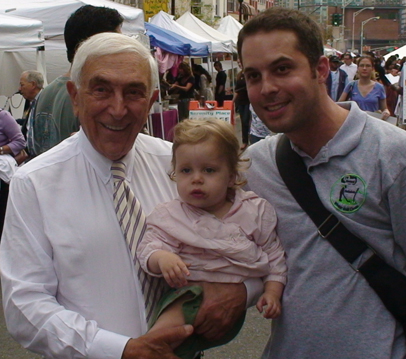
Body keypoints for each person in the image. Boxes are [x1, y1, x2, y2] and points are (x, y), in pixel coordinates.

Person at [1, 32, 251, 359]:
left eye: (133, 92)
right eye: (102, 89)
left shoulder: (179, 166)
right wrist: (121, 350)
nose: (118, 110)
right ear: (75, 97)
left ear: (150, 101)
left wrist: (241, 289)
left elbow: (243, 237)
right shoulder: (34, 183)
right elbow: (25, 304)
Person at [238, 7, 406, 358]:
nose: (267, 88)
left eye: (282, 69)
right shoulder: (255, 167)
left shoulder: (394, 156)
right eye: (253, 76)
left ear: (320, 70)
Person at [137, 118, 287, 358]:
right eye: (186, 170)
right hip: (188, 296)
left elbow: (274, 255)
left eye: (209, 170)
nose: (196, 179)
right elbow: (149, 246)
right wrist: (162, 258)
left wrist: (272, 291)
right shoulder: (172, 215)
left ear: (231, 176)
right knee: (163, 340)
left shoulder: (254, 211)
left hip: (233, 308)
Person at [32, 5, 124, 157]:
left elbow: (33, 147)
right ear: (93, 45)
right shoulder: (93, 98)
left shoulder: (45, 94)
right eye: (115, 43)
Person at [339, 55, 390, 120]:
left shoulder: (379, 87)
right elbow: (340, 105)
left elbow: (384, 108)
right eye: (362, 65)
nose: (364, 68)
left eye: (368, 66)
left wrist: (386, 112)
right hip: (355, 123)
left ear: (372, 68)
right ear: (358, 68)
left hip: (372, 123)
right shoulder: (351, 85)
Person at [18, 70, 44, 147]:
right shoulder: (33, 102)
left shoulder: (45, 102)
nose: (19, 89)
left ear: (33, 85)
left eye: (22, 85)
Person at [234, 65, 251, 148]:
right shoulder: (239, 75)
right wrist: (232, 101)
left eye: (240, 62)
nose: (239, 64)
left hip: (249, 101)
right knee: (243, 122)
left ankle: (250, 139)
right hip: (240, 102)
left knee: (247, 120)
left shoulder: (249, 74)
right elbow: (236, 90)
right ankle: (245, 141)